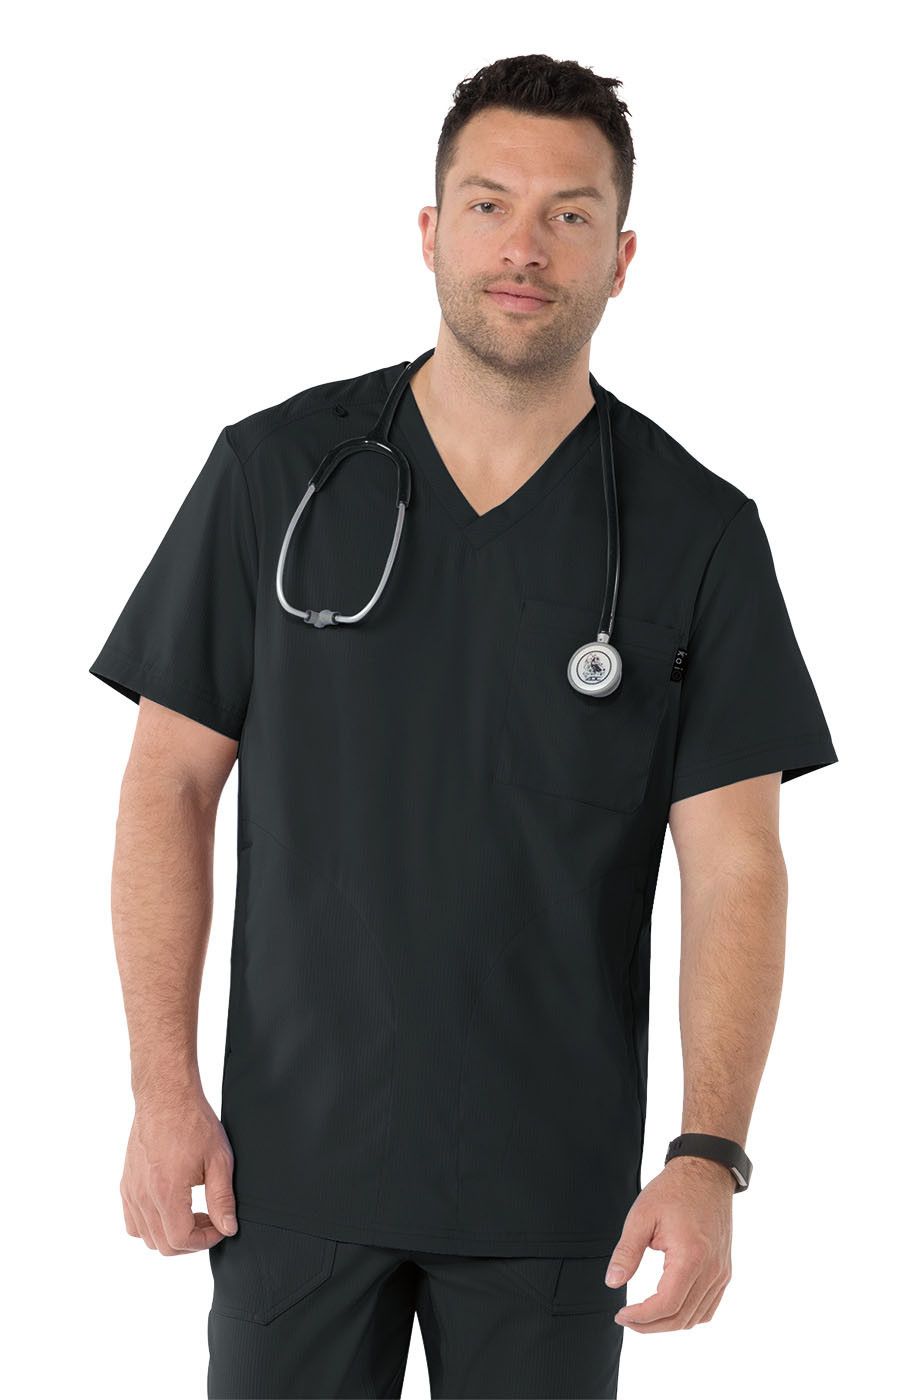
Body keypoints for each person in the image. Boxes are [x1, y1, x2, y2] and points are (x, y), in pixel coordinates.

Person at [88, 52, 838, 1400]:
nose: (524, 248)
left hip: (555, 1200)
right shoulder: (276, 473)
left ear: (622, 256)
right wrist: (161, 1087)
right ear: (432, 230)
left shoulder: (698, 534)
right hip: (289, 1178)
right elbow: (170, 786)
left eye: (569, 214)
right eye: (490, 205)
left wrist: (709, 1153)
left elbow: (738, 866)